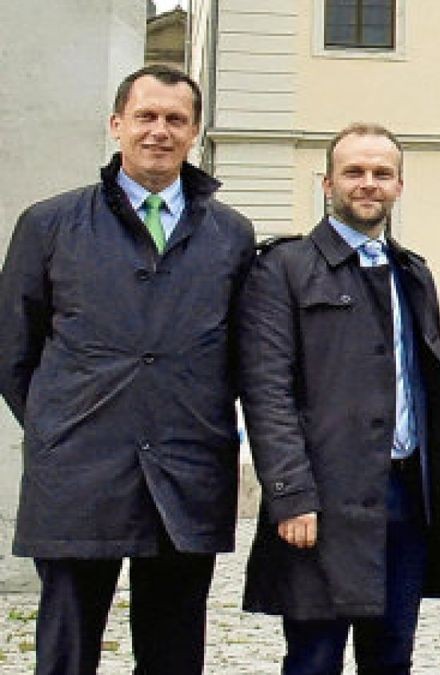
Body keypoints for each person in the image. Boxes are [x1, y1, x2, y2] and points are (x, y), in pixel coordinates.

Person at [0, 65, 256, 674]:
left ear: (195, 132)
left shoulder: (231, 234)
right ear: (117, 124)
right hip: (79, 473)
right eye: (146, 116)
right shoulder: (50, 224)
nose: (159, 131)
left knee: (172, 652)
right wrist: (59, 424)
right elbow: (13, 351)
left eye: (175, 119)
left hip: (187, 471)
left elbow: (241, 354)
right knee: (67, 650)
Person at [237, 123, 440, 674]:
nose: (368, 184)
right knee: (314, 658)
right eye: (354, 172)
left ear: (399, 186)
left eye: (381, 174)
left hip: (406, 498)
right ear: (327, 183)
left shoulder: (412, 272)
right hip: (323, 502)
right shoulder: (282, 269)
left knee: (392, 656)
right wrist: (291, 495)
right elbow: (266, 391)